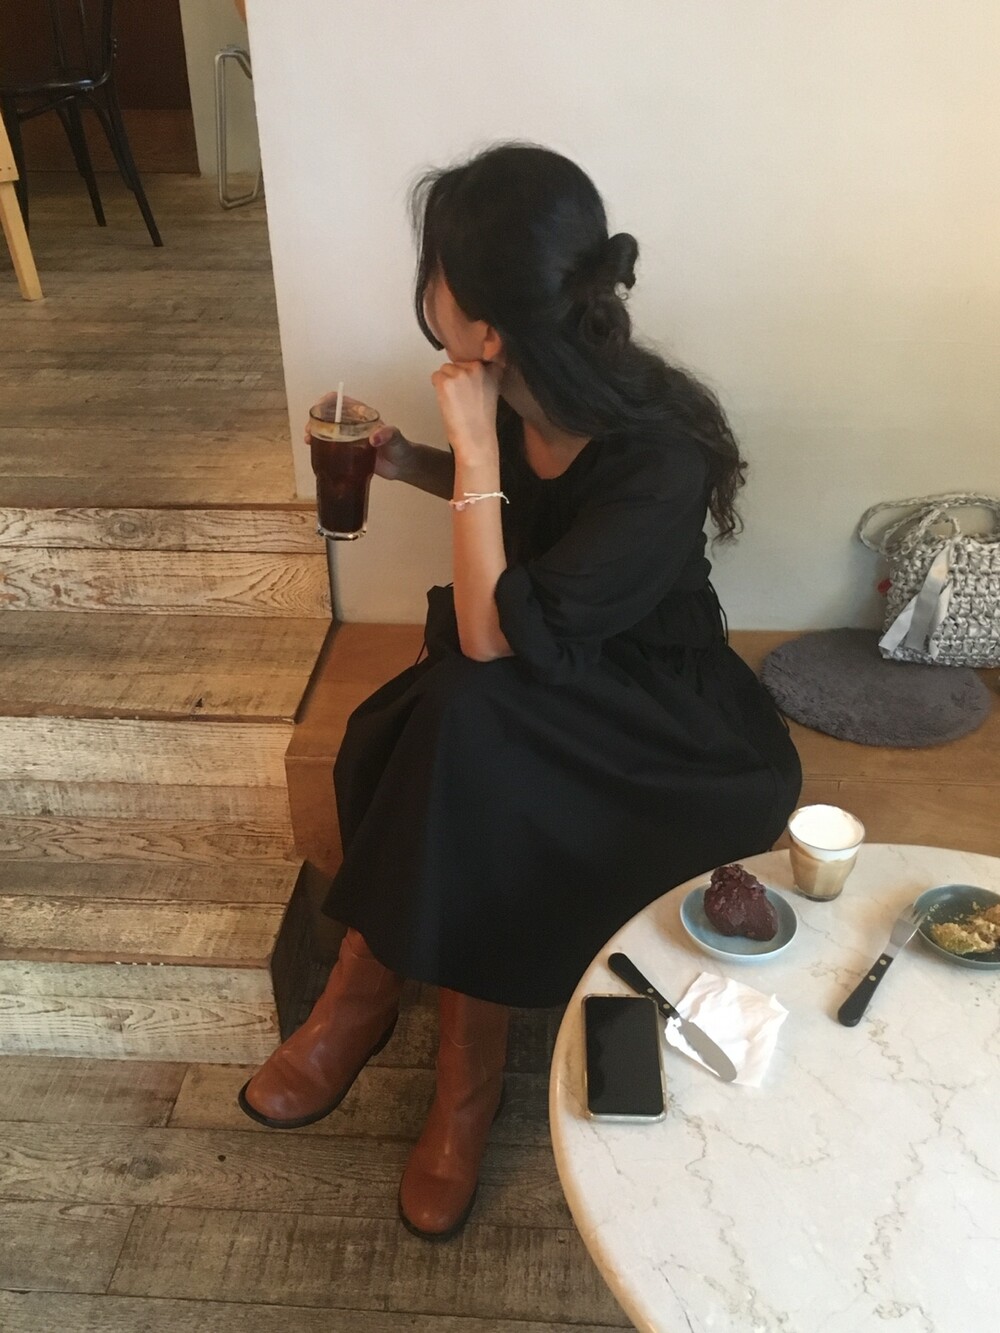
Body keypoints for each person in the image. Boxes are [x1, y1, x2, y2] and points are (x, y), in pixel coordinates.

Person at [238, 142, 802, 1240]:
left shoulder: (656, 454)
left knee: (461, 708)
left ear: (486, 327)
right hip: (545, 680)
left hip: (666, 732)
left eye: (437, 274)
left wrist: (467, 445)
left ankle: (406, 1026)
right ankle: (420, 1030)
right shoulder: (522, 388)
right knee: (456, 722)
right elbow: (513, 537)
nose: (427, 295)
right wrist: (413, 460)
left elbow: (493, 634)